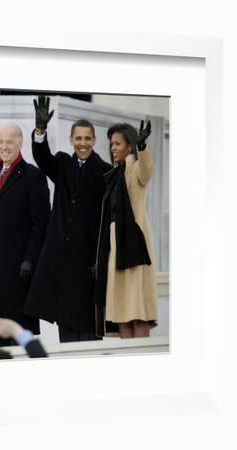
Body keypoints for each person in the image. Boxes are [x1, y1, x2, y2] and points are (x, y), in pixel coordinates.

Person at [24, 96, 112, 343]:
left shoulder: (106, 171)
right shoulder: (62, 163)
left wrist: (101, 258)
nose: (82, 143)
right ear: (71, 140)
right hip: (62, 263)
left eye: (87, 138)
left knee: (90, 335)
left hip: (88, 265)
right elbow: (42, 157)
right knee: (68, 337)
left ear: (94, 140)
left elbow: (108, 221)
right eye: (78, 138)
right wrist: (40, 130)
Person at [0, 123, 50, 347]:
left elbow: (42, 223)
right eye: (1, 142)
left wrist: (30, 259)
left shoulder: (33, 176)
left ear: (20, 143)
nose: (4, 147)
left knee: (18, 338)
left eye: (9, 142)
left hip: (20, 274)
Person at [93, 121, 158, 338]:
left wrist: (142, 148)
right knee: (121, 310)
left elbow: (147, 172)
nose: (113, 148)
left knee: (137, 310)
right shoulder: (114, 174)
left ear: (129, 146)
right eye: (111, 144)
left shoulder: (134, 167)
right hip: (115, 248)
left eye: (117, 143)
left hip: (133, 247)